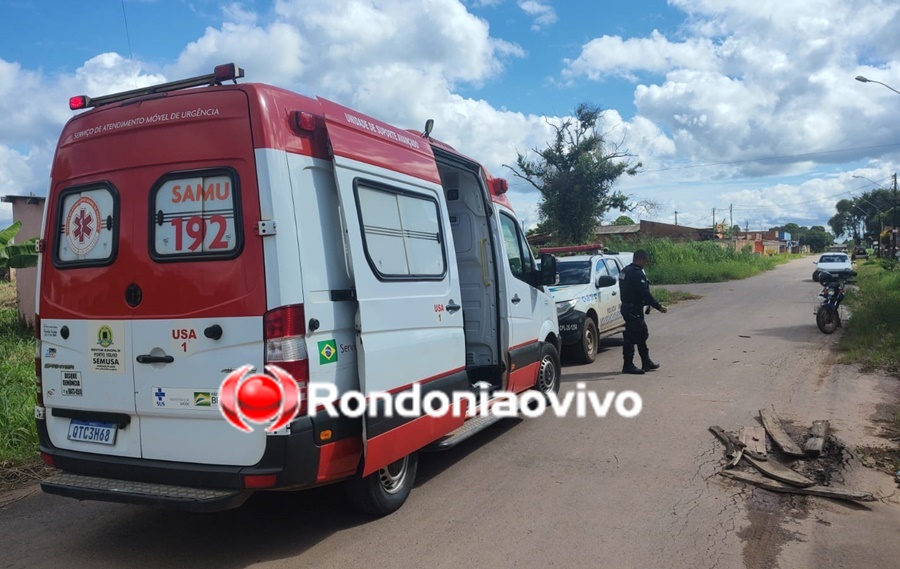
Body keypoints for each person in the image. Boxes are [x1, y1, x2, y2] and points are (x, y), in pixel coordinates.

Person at [618, 250, 667, 375]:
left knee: (642, 334)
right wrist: (658, 306)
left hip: (630, 307)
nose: (646, 263)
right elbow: (644, 293)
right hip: (632, 309)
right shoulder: (636, 274)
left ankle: (646, 362)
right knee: (630, 337)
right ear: (640, 259)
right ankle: (628, 365)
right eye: (645, 260)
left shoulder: (625, 271)